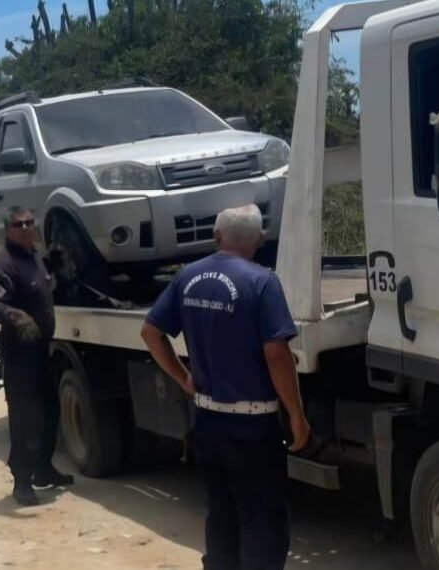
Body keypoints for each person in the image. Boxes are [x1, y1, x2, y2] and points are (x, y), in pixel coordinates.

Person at [140, 204, 311, 570]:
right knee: (262, 520)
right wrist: (296, 413)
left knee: (221, 514)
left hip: (206, 421)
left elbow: (151, 333)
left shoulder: (188, 276)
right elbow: (277, 353)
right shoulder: (262, 282)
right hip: (252, 428)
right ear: (260, 239)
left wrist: (183, 377)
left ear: (217, 237)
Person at [0, 206, 74, 506]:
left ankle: (43, 469)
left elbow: (48, 288)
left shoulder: (36, 258)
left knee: (50, 412)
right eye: (18, 224)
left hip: (43, 351)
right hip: (19, 356)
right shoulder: (5, 266)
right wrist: (13, 314)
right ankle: (22, 481)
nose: (25, 227)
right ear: (7, 230)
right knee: (26, 419)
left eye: (28, 222)